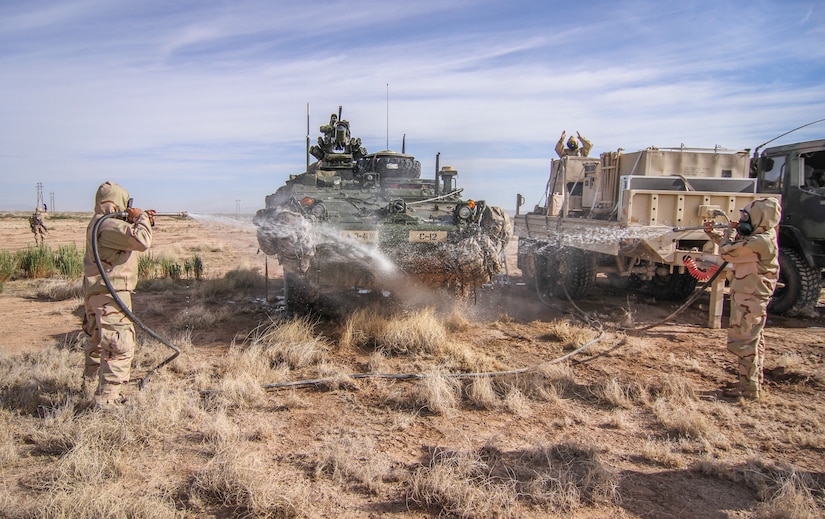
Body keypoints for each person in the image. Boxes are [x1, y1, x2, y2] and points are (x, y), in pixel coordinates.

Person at [82, 181, 155, 406]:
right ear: (116, 204)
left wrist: (138, 220)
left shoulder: (98, 223)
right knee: (118, 346)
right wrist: (141, 219)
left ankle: (88, 388)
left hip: (97, 293)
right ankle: (107, 402)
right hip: (111, 295)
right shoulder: (109, 226)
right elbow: (142, 241)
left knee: (97, 343)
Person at [704, 197, 781, 400]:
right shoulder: (761, 235)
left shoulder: (761, 242)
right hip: (749, 296)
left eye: (747, 217)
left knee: (745, 342)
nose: (743, 220)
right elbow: (735, 247)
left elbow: (729, 252)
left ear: (761, 219)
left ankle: (748, 388)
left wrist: (730, 232)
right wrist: (713, 234)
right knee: (753, 340)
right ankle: (750, 381)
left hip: (751, 298)